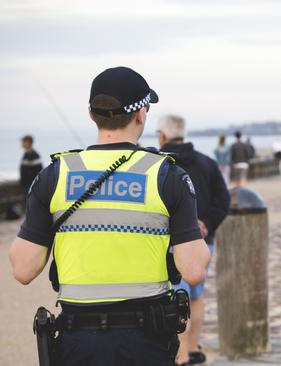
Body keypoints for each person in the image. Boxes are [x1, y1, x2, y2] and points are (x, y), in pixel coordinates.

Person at [9, 66, 211, 366]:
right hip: (147, 341)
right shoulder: (167, 175)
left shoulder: (56, 175)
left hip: (77, 342)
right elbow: (194, 270)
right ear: (142, 113)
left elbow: (24, 269)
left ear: (92, 115)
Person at [158, 115, 230, 366]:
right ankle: (193, 346)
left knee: (176, 298)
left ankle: (182, 356)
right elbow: (224, 200)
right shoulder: (208, 163)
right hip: (203, 241)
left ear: (162, 136)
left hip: (169, 244)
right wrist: (206, 223)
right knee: (196, 297)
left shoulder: (158, 165)